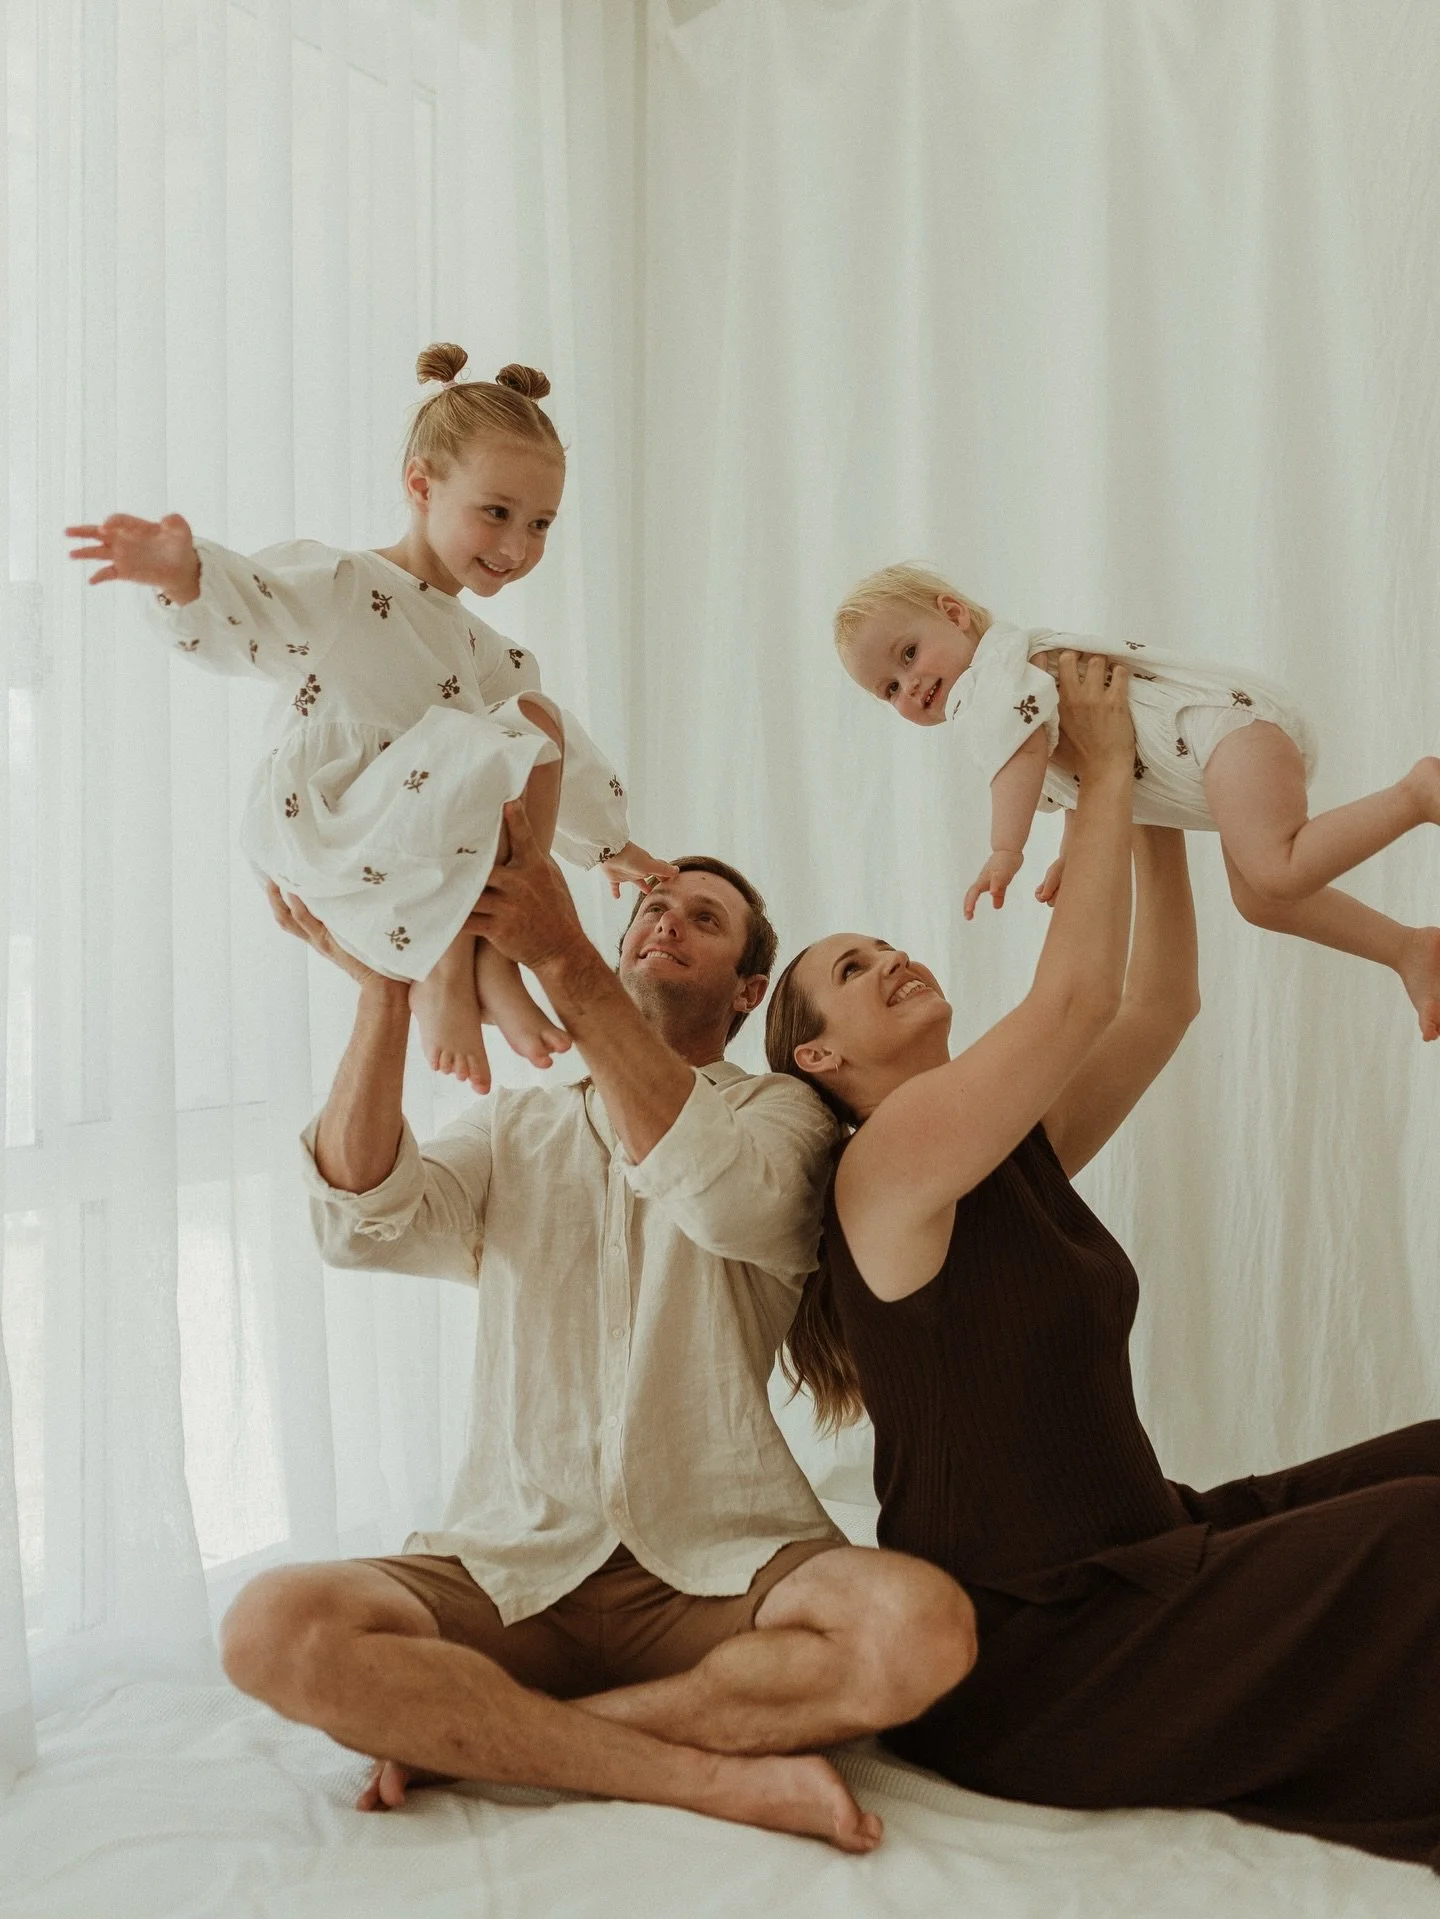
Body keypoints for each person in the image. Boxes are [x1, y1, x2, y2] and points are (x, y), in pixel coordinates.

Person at [767, 649, 1440, 1871]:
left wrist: (1157, 804)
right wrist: (1109, 764)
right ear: (821, 1062)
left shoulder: (999, 1147)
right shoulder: (888, 1164)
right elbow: (1074, 999)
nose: (890, 960)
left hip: (1149, 1549)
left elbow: (1155, 1003)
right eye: (851, 973)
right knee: (1421, 1538)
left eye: (879, 942)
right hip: (1049, 1652)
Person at [217, 819, 977, 1852]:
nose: (665, 918)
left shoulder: (789, 1120)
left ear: (747, 991)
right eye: (651, 906)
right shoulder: (514, 1129)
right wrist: (385, 991)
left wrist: (565, 959)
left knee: (920, 1629)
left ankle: (488, 1738)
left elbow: (713, 1191)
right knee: (272, 1625)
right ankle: (699, 1773)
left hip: (718, 1561)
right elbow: (361, 1219)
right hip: (512, 1563)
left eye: (703, 919)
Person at [65, 342, 673, 1093]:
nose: (518, 546)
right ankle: (459, 971)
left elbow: (554, 754)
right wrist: (182, 574)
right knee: (493, 732)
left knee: (534, 714)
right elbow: (257, 606)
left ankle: (486, 957)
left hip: (413, 850)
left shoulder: (487, 651)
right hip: (335, 834)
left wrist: (610, 844)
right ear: (422, 486)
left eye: (542, 524)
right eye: (497, 513)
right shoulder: (347, 587)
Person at [834, 561, 1440, 1040]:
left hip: (1215, 728)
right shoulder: (1006, 693)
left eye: (909, 655)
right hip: (1216, 757)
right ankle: (1408, 948)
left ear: (955, 613)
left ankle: (1417, 793)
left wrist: (1004, 849)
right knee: (1262, 900)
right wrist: (1074, 852)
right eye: (889, 690)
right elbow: (1075, 777)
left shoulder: (991, 678)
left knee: (1276, 869)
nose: (909, 686)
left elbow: (1020, 758)